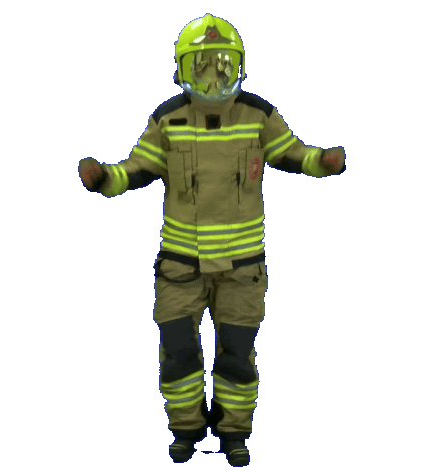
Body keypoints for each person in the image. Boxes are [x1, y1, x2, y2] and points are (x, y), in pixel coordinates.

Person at [79, 13, 345, 466]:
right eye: (200, 65)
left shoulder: (259, 115)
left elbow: (292, 154)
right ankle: (185, 430)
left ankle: (234, 432)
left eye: (222, 64)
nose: (212, 76)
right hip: (180, 263)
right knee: (178, 351)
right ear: (182, 68)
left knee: (238, 354)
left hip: (243, 266)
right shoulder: (168, 118)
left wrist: (323, 163)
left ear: (238, 64)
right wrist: (105, 178)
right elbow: (137, 168)